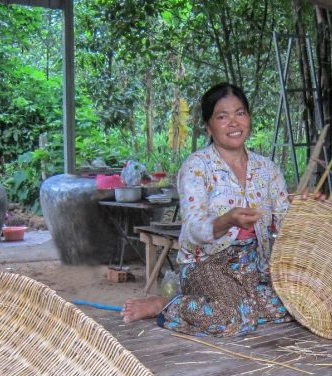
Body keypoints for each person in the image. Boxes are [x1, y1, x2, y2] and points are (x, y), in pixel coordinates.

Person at [122, 82, 302, 336]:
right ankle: (169, 305)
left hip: (253, 267)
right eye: (222, 116)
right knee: (229, 319)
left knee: (294, 307)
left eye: (240, 113)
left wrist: (308, 207)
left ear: (249, 118)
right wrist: (226, 221)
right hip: (206, 264)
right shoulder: (197, 167)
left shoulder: (268, 169)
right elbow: (195, 229)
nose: (233, 122)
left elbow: (285, 221)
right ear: (208, 126)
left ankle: (236, 305)